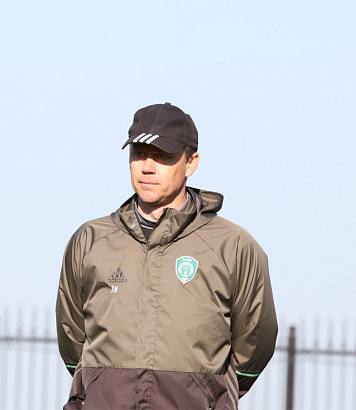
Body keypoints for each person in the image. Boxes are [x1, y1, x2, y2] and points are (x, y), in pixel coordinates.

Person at [56, 102, 277, 410]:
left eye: (162, 156)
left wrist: (207, 391)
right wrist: (99, 384)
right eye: (139, 154)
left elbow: (255, 342)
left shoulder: (233, 245)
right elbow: (71, 336)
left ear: (191, 163)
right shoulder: (90, 240)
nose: (147, 167)